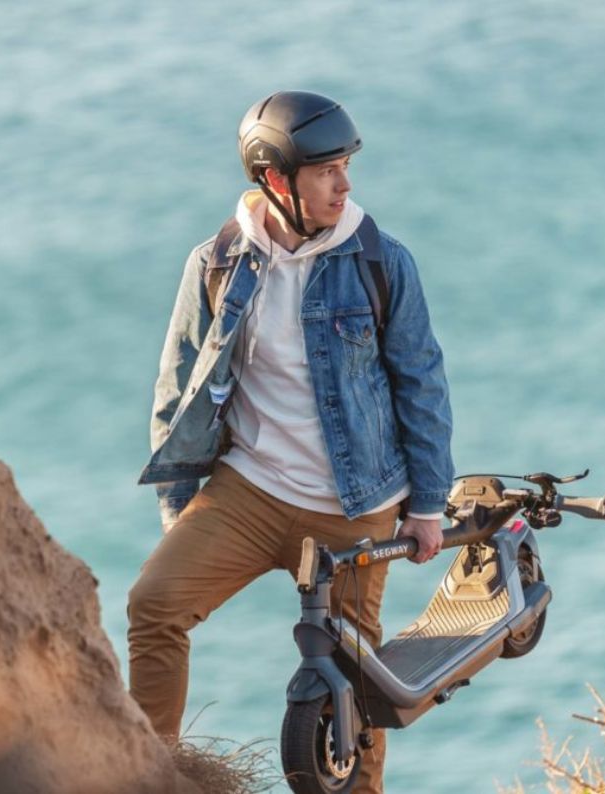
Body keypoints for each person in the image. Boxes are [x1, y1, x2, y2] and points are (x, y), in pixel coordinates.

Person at [129, 90, 454, 793]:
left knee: (353, 680)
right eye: (326, 170)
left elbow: (421, 382)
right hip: (247, 495)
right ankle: (147, 775)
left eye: (346, 166)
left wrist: (427, 504)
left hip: (353, 505)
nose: (345, 184)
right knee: (153, 607)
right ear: (276, 180)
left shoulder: (379, 261)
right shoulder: (217, 261)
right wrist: (180, 510)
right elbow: (176, 386)